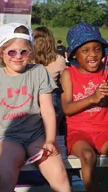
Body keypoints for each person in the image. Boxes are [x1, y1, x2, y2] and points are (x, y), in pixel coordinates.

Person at [0, 23, 71, 192]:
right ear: (2, 53)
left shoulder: (38, 71)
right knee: (4, 173)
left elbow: (48, 110)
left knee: (59, 173)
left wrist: (50, 140)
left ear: (30, 52)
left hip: (36, 135)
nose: (18, 56)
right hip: (7, 137)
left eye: (23, 51)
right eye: (12, 51)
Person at [61, 23, 108, 192]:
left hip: (104, 130)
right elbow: (66, 108)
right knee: (88, 156)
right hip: (78, 133)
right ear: (75, 54)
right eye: (85, 50)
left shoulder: (106, 72)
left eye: (97, 49)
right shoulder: (69, 74)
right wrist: (92, 98)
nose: (93, 55)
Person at [32, 26, 66, 132]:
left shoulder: (28, 58)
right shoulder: (59, 59)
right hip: (52, 98)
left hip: (31, 96)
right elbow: (64, 83)